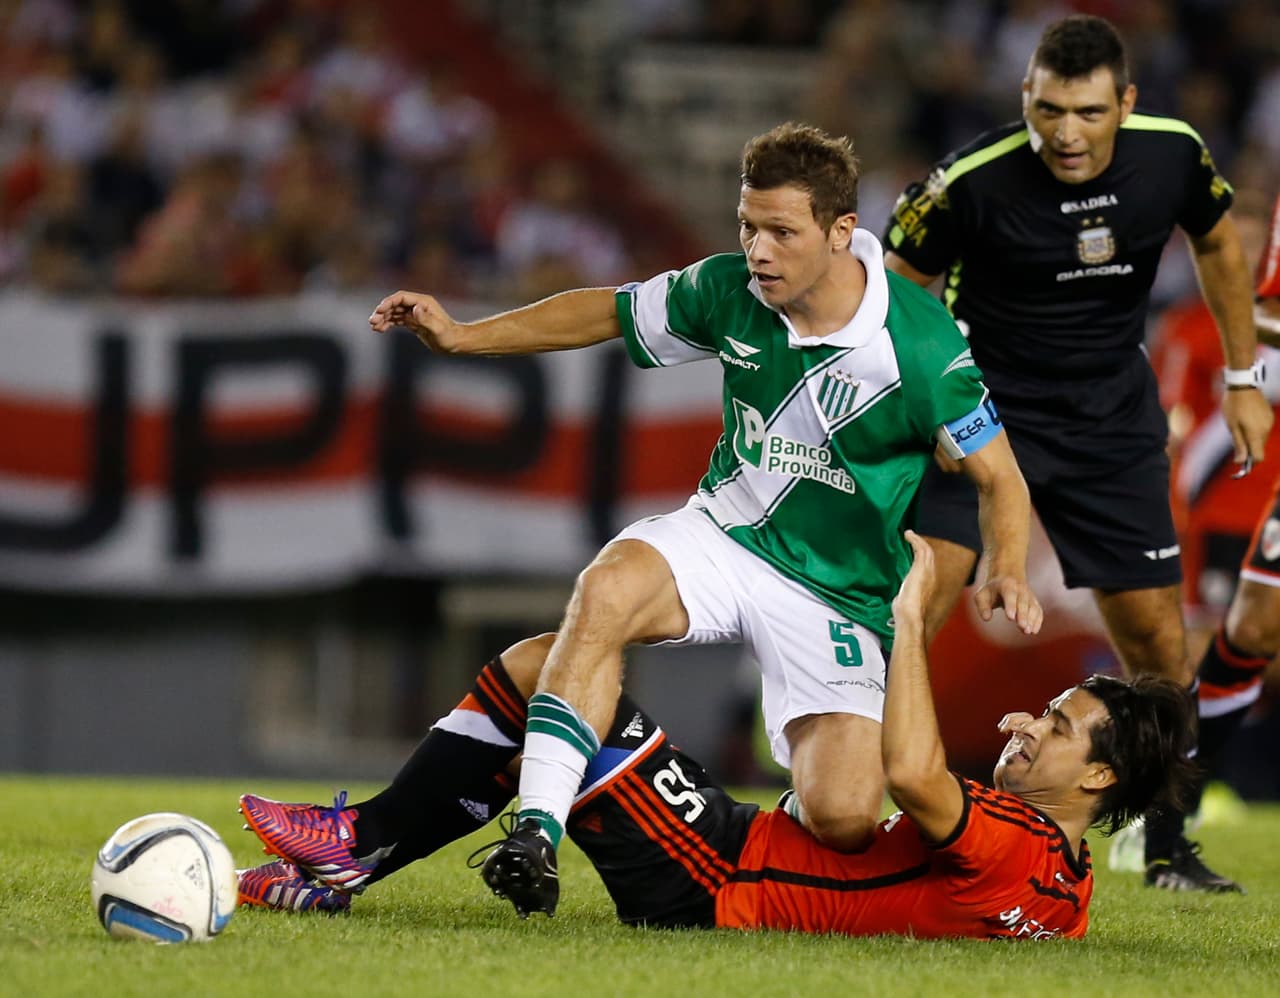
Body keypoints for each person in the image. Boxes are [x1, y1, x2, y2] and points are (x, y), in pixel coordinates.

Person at [362, 122, 1042, 917]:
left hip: (842, 596)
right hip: (728, 535)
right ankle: (535, 835)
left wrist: (1006, 568)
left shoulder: (921, 346)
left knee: (847, 818)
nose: (759, 250)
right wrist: (464, 336)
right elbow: (607, 312)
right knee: (608, 590)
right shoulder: (728, 289)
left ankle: (702, 821)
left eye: (782, 232)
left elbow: (1001, 478)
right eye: (748, 226)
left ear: (841, 233)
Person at [235, 531, 1197, 939]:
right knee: (560, 670)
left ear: (1101, 777)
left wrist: (909, 619)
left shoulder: (1011, 844)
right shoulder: (1062, 888)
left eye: (1060, 727)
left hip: (717, 876)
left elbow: (909, 771)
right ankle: (357, 854)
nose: (1029, 722)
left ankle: (359, 846)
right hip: (734, 844)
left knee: (546, 668)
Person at [882, 13, 1272, 892]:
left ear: (1125, 103)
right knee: (917, 609)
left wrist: (1243, 374)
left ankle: (1164, 843)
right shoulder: (970, 182)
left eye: (1089, 112)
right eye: (1048, 109)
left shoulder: (1171, 155)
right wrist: (929, 399)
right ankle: (859, 807)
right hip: (981, 422)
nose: (1065, 132)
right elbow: (897, 287)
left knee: (1158, 646)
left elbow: (1217, 241)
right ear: (1024, 96)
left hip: (1108, 426)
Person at [1181, 192, 1280, 848]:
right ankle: (1178, 794)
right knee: (1234, 632)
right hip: (1227, 511)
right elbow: (1187, 440)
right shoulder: (1191, 332)